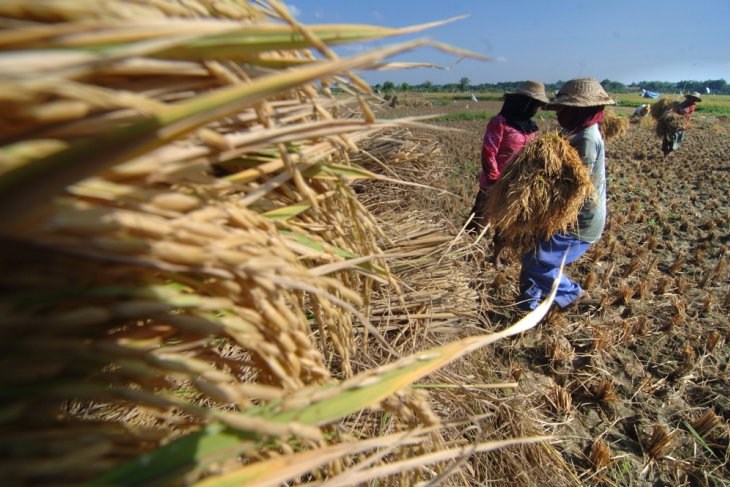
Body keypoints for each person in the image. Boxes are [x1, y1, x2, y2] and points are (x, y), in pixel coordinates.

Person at [517, 78, 614, 311]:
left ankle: (571, 293)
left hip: (579, 220)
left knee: (537, 262)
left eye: (564, 108)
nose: (559, 112)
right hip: (562, 214)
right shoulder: (574, 130)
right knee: (533, 255)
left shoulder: (587, 138)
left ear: (580, 110)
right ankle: (526, 306)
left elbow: (576, 185)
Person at [465, 80, 549, 266]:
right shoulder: (500, 122)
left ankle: (495, 257)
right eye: (534, 105)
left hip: (517, 184)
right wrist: (495, 180)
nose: (536, 110)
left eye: (538, 106)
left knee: (506, 224)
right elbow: (489, 151)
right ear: (523, 103)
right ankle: (467, 252)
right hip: (493, 183)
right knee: (479, 217)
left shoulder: (532, 128)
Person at [661, 91, 701, 156]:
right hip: (673, 121)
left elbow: (684, 112)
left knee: (675, 137)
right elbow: (676, 109)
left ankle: (670, 150)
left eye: (693, 98)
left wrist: (678, 109)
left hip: (682, 123)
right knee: (667, 136)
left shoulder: (692, 105)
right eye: (690, 97)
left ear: (695, 100)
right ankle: (665, 150)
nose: (691, 99)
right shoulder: (684, 102)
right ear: (688, 97)